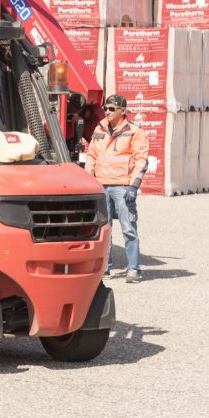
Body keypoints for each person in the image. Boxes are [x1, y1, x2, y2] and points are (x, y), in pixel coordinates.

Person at [84, 94, 149, 283]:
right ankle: (105, 267)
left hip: (122, 187)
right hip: (102, 186)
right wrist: (89, 182)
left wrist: (133, 186)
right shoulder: (100, 128)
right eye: (106, 108)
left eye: (112, 109)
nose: (107, 112)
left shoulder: (135, 132)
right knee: (104, 230)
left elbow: (141, 160)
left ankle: (133, 269)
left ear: (123, 111)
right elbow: (91, 155)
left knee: (128, 228)